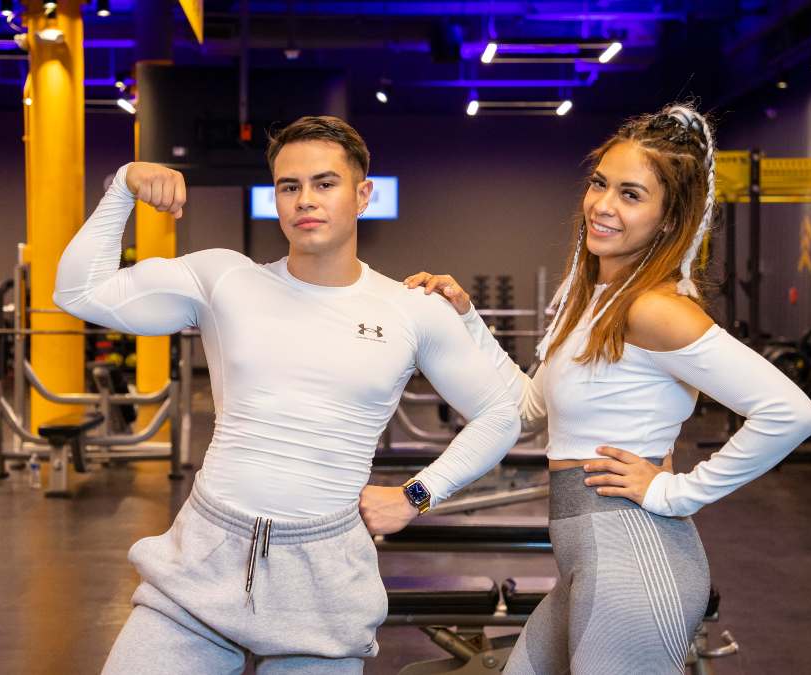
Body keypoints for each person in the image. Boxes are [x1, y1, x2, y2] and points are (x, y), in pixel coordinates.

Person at [52, 116, 521, 674]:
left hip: (325, 573)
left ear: (362, 194)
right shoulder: (225, 278)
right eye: (288, 186)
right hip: (204, 557)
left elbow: (500, 412)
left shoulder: (411, 310)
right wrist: (124, 187)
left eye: (325, 183)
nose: (305, 200)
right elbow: (78, 291)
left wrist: (417, 495)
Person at [406, 103, 811, 674]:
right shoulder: (594, 300)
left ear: (670, 219)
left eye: (631, 194)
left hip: (636, 561)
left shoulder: (656, 309)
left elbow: (791, 413)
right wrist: (465, 319)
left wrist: (677, 493)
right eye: (600, 184)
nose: (603, 205)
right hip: (589, 559)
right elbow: (527, 406)